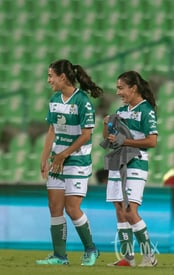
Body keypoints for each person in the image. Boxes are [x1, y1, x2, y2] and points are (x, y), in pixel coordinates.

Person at [35, 59, 102, 266]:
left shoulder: (82, 101)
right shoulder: (55, 99)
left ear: (62, 77)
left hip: (77, 160)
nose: (48, 81)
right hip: (58, 160)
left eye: (50, 76)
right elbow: (52, 130)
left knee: (72, 208)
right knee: (54, 207)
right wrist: (44, 157)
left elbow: (86, 135)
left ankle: (91, 249)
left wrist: (64, 154)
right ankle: (59, 256)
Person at [103, 71, 158, 267]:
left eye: (121, 88)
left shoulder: (146, 110)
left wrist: (124, 140)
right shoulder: (122, 110)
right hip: (118, 162)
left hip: (136, 163)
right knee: (119, 208)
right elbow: (110, 140)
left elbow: (152, 141)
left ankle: (149, 256)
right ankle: (128, 257)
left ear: (133, 88)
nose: (118, 92)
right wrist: (107, 125)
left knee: (129, 210)